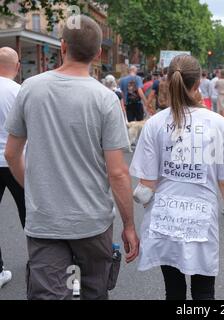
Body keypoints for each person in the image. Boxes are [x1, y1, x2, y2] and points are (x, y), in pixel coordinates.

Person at [4, 15, 139, 300]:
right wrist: (129, 225)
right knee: (93, 292)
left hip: (46, 221)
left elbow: (12, 153)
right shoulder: (105, 99)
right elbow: (117, 173)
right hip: (92, 221)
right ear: (98, 53)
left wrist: (34, 189)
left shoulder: (31, 88)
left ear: (62, 46)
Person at [129, 54, 224, 300]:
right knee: (204, 291)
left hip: (164, 217)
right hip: (200, 218)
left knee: (174, 291)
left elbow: (146, 184)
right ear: (198, 83)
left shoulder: (155, 124)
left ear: (169, 81)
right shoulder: (217, 124)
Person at [0, 47, 24, 289]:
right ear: (17, 67)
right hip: (17, 160)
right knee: (30, 215)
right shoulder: (20, 91)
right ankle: (40, 263)